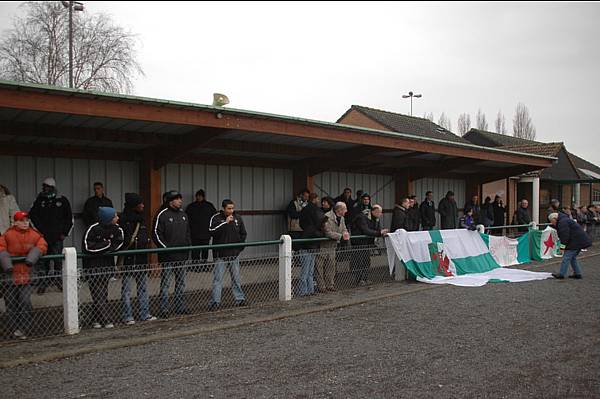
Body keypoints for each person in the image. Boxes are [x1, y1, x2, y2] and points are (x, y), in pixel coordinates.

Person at [0, 211, 47, 339]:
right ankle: (13, 329)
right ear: (15, 222)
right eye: (22, 220)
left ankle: (24, 329)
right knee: (11, 304)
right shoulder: (7, 235)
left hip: (27, 276)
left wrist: (33, 254)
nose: (25, 223)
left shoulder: (35, 235)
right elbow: (1, 247)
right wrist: (6, 263)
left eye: (26, 220)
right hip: (10, 277)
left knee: (25, 301)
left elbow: (42, 245)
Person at [29, 177, 73, 294]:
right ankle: (43, 283)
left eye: (47, 186)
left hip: (58, 237)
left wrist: (65, 233)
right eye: (44, 186)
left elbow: (69, 218)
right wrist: (38, 231)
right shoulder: (39, 200)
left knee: (58, 260)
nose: (45, 188)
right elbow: (32, 216)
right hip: (42, 237)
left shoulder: (62, 200)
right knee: (43, 261)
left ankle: (59, 282)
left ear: (53, 188)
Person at [82, 207, 124, 329]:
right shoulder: (93, 229)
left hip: (107, 266)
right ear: (108, 218)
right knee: (98, 293)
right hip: (93, 267)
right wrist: (106, 245)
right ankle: (105, 319)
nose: (117, 218)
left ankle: (96, 319)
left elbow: (119, 242)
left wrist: (107, 248)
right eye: (115, 216)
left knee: (102, 293)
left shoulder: (116, 228)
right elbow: (88, 247)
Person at [119, 193, 156, 325]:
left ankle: (144, 313)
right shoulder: (123, 220)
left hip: (141, 260)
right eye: (140, 203)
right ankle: (127, 315)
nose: (143, 206)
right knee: (126, 290)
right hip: (129, 260)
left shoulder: (141, 220)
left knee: (143, 288)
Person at [153, 190, 191, 318]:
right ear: (170, 201)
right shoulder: (161, 215)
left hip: (182, 256)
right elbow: (156, 234)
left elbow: (187, 234)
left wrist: (187, 248)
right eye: (177, 199)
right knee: (166, 284)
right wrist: (166, 248)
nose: (180, 201)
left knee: (181, 283)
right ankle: (164, 309)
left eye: (180, 198)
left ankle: (180, 307)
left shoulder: (183, 215)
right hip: (168, 257)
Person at [208, 199, 248, 309]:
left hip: (234, 254)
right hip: (220, 254)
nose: (231, 211)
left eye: (232, 208)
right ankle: (215, 302)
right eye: (229, 208)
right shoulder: (216, 218)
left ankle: (239, 299)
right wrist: (225, 223)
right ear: (223, 208)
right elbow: (211, 231)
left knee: (236, 278)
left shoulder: (238, 218)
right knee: (218, 279)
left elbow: (243, 233)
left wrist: (240, 248)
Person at [351, 204, 388, 286]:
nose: (380, 214)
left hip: (367, 244)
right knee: (359, 262)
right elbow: (366, 230)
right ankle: (359, 279)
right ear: (374, 211)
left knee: (366, 261)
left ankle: (364, 278)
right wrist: (379, 233)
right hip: (359, 243)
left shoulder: (376, 219)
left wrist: (381, 232)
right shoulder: (362, 217)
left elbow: (377, 229)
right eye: (379, 212)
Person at [548, 212, 591, 279]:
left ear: (554, 219)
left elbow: (564, 236)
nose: (552, 223)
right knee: (572, 258)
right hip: (579, 241)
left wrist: (562, 247)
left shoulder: (562, 223)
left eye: (551, 221)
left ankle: (562, 274)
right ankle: (577, 273)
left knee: (566, 258)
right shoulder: (564, 220)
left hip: (575, 242)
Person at [297, 193, 323, 296]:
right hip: (313, 243)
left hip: (306, 241)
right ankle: (308, 290)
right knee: (309, 271)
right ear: (315, 199)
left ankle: (304, 291)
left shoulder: (304, 210)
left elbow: (301, 223)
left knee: (305, 270)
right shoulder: (317, 211)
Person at [321, 202, 350, 292]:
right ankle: (322, 287)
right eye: (345, 209)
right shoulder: (327, 217)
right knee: (320, 267)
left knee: (331, 267)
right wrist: (341, 236)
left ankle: (330, 285)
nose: (346, 211)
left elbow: (344, 229)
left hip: (333, 245)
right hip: (324, 245)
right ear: (339, 210)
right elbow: (327, 232)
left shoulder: (342, 218)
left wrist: (345, 233)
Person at [185, 189, 217, 268]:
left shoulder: (209, 206)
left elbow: (215, 218)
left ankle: (204, 266)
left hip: (205, 233)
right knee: (195, 251)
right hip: (194, 234)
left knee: (204, 251)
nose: (198, 197)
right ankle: (195, 266)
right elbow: (186, 219)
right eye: (197, 196)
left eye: (200, 196)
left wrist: (211, 230)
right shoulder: (191, 206)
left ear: (203, 196)